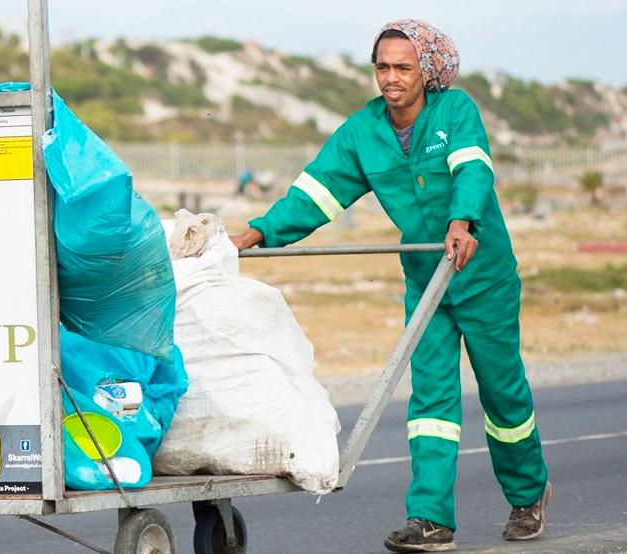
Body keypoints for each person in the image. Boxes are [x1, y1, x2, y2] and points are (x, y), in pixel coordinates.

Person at [229, 19, 550, 553]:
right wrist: (257, 232)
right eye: (383, 67)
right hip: (427, 281)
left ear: (427, 71)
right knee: (431, 399)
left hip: (482, 275)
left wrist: (462, 220)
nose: (391, 78)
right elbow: (317, 191)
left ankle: (527, 494)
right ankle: (431, 520)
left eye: (403, 67)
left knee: (502, 392)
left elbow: (472, 168)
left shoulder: (455, 111)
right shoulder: (363, 132)